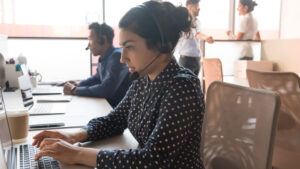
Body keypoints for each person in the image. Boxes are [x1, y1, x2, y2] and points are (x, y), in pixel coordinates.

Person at [32, 1, 205, 168]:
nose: (122, 58)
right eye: (122, 47)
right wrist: (72, 136)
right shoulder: (143, 80)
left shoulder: (182, 87)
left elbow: (154, 160)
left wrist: (77, 154)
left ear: (160, 45)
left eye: (129, 47)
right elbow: (114, 120)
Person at [63, 23, 132, 107]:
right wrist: (80, 83)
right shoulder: (106, 57)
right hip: (107, 106)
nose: (88, 45)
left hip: (116, 110)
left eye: (90, 40)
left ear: (103, 39)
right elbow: (96, 78)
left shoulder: (117, 57)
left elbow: (106, 89)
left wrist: (75, 90)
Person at [176, 0, 214, 76]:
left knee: (195, 84)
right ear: (190, 7)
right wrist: (206, 37)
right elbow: (196, 34)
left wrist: (201, 57)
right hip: (186, 60)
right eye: (197, 7)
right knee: (186, 84)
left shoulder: (198, 21)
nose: (199, 9)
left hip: (196, 59)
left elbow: (198, 40)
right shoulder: (185, 21)